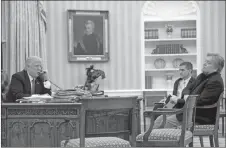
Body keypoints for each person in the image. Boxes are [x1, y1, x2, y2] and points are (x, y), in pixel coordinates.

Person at [152, 53, 224, 128]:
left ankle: (159, 137)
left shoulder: (215, 81)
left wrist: (184, 98)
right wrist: (171, 100)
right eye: (205, 62)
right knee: (160, 113)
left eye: (208, 63)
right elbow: (186, 89)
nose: (204, 64)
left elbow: (201, 101)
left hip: (196, 114)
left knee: (165, 120)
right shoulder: (199, 77)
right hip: (181, 105)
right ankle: (150, 136)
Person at [153, 62, 195, 127]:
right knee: (159, 119)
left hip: (184, 110)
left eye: (182, 70)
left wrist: (176, 100)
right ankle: (151, 136)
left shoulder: (194, 83)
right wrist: (166, 106)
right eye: (179, 70)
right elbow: (174, 97)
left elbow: (190, 101)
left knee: (165, 121)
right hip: (174, 107)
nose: (180, 72)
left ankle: (164, 135)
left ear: (190, 71)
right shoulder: (177, 82)